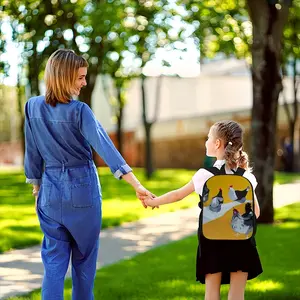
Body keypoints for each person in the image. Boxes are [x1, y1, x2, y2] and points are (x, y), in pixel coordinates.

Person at [24, 49, 153, 300]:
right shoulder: (79, 110)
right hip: (82, 190)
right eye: (80, 77)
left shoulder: (32, 107)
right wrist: (136, 184)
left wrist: (37, 189)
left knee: (53, 265)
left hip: (49, 193)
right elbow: (106, 148)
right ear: (64, 77)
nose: (84, 83)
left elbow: (32, 153)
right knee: (84, 264)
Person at [144, 120, 263, 300]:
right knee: (237, 295)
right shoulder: (246, 177)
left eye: (208, 138)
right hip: (241, 241)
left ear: (217, 144)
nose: (206, 142)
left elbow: (177, 195)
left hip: (212, 241)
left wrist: (154, 202)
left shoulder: (205, 175)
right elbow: (256, 212)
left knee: (211, 294)